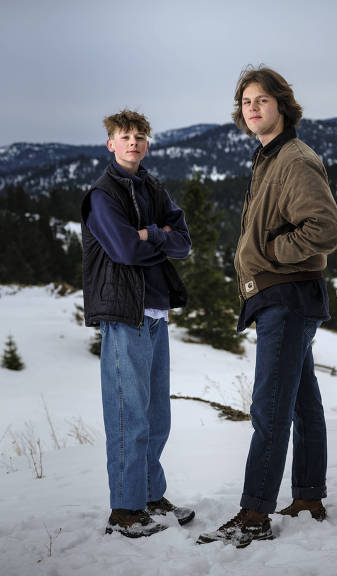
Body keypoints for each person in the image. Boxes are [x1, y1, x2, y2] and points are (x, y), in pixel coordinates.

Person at [197, 66, 337, 548]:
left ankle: (255, 513)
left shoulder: (295, 159)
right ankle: (307, 497)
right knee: (301, 401)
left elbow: (325, 230)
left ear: (282, 104)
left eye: (262, 100)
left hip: (288, 295)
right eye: (246, 102)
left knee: (270, 408)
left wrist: (271, 254)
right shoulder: (268, 157)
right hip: (282, 297)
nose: (253, 108)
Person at [80, 109, 195, 538]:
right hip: (124, 313)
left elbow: (182, 242)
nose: (134, 142)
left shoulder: (152, 185)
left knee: (155, 413)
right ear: (110, 143)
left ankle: (150, 495)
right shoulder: (101, 194)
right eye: (125, 135)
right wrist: (152, 236)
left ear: (148, 142)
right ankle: (125, 511)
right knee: (129, 414)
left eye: (140, 135)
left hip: (156, 310)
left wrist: (153, 235)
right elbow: (126, 249)